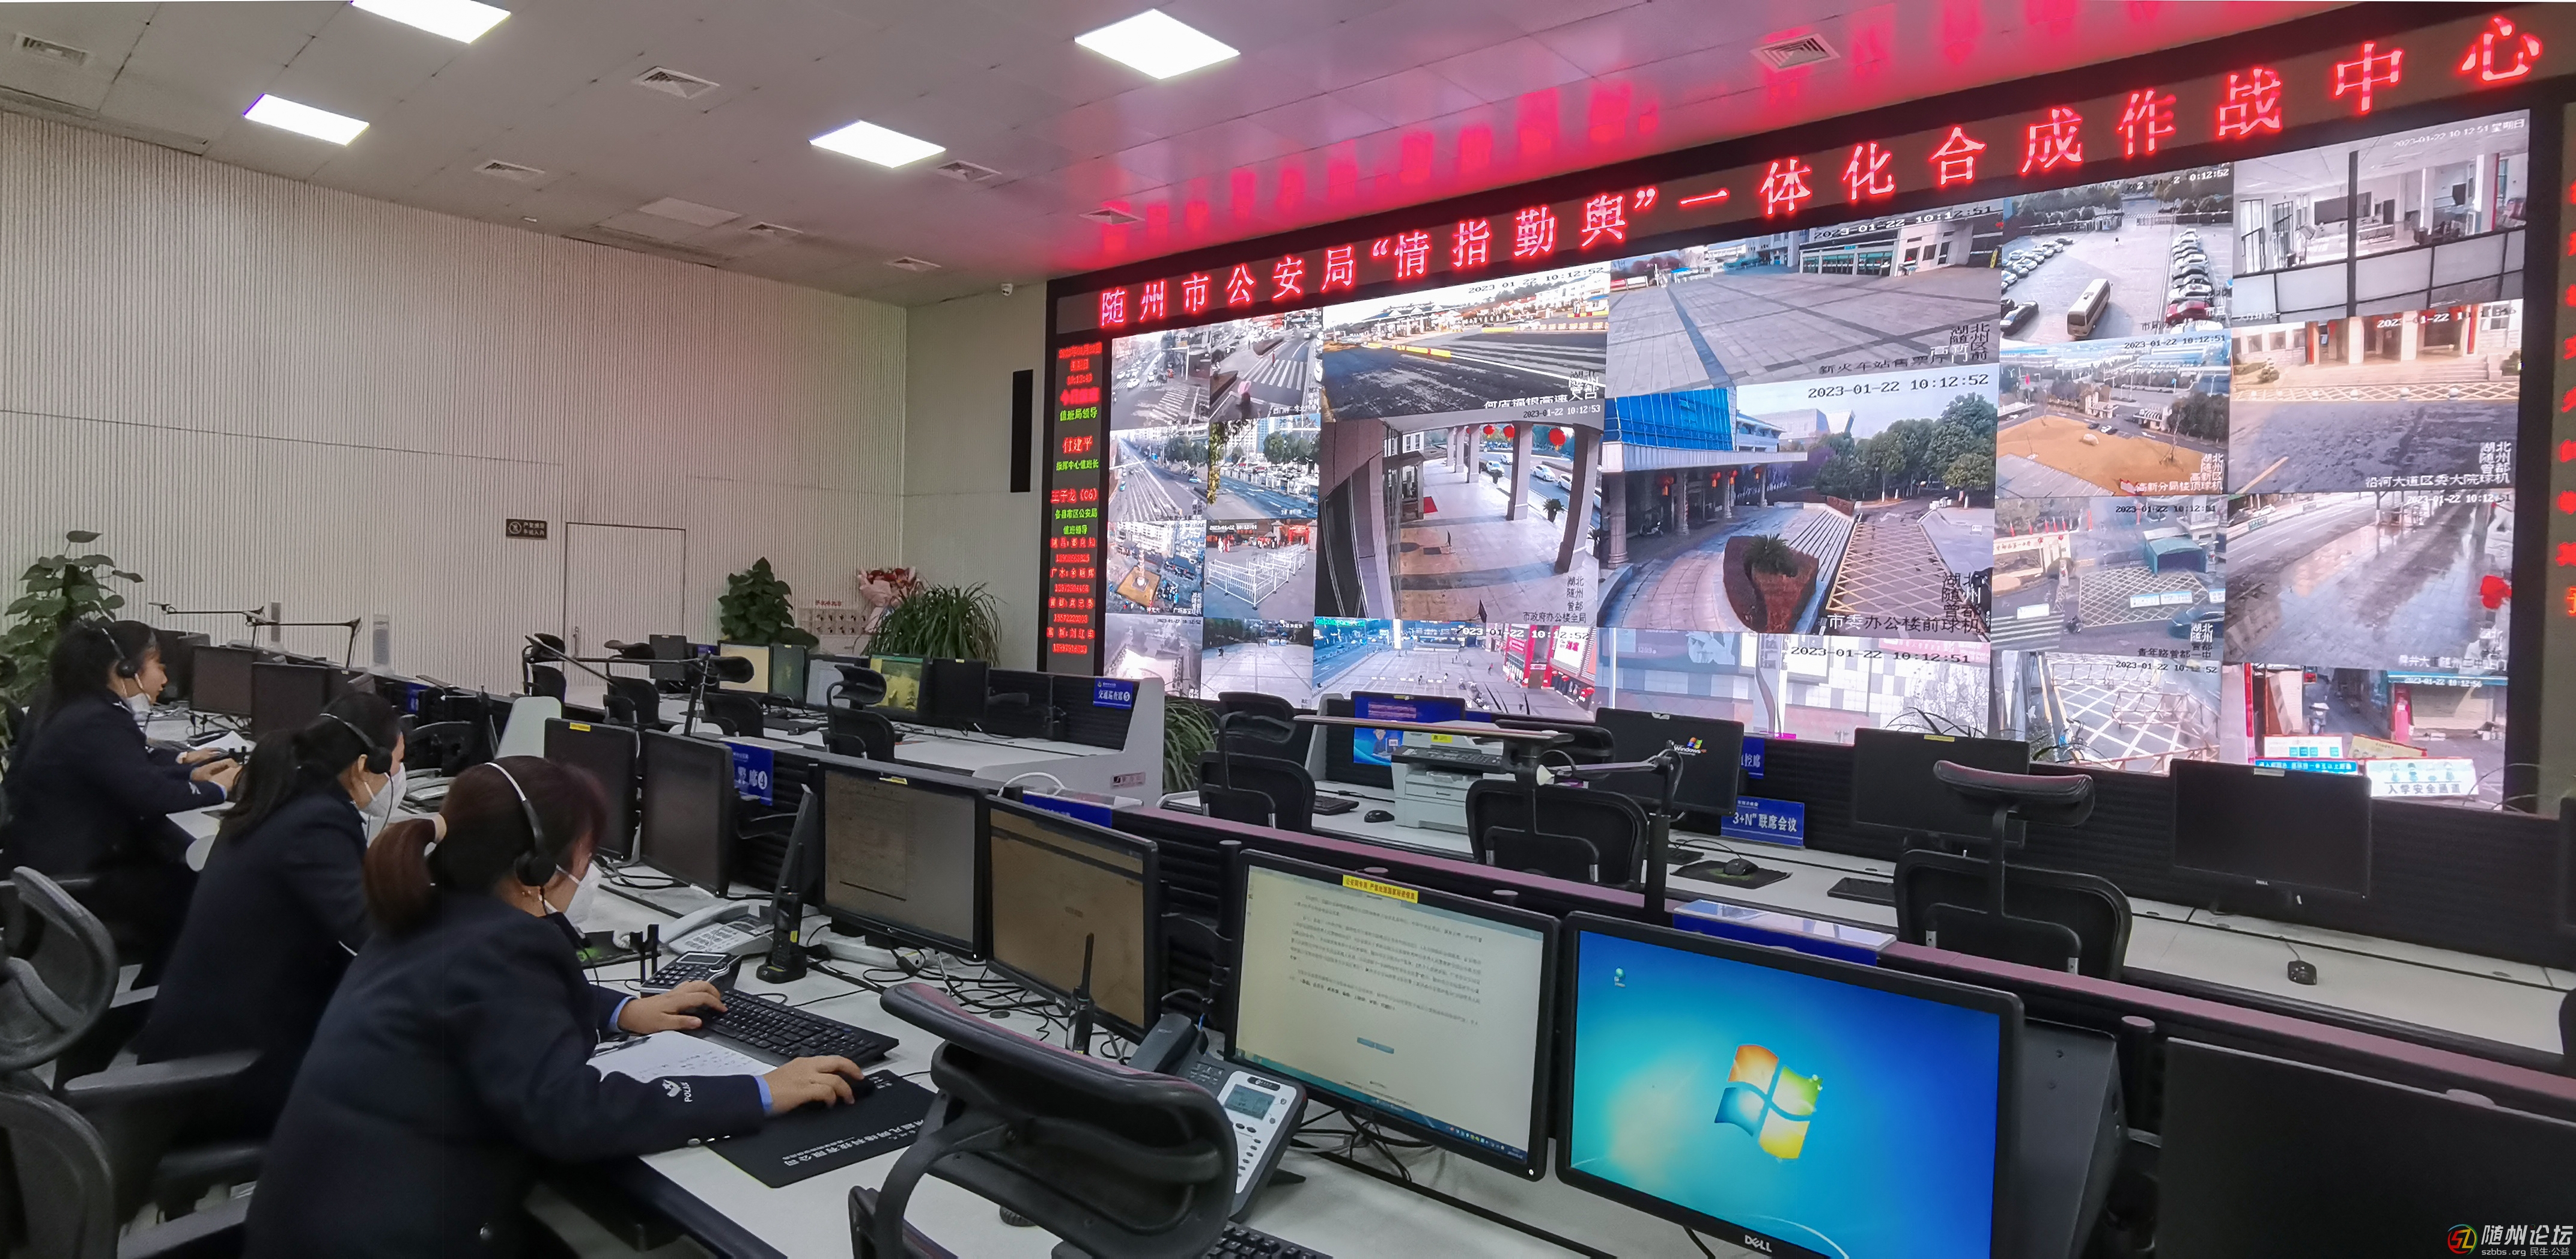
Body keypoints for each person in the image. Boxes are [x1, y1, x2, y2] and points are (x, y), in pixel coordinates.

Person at [246, 757, 867, 1258]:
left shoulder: (426, 910)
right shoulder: (501, 950)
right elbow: (569, 1113)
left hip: (319, 1221)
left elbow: (487, 1010)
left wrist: (623, 1011)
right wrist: (758, 1091)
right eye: (587, 857)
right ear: (534, 869)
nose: (590, 873)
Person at [131, 692, 406, 1139]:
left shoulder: (280, 797)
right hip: (230, 1072)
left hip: (203, 1041)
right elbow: (373, 930)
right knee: (406, 1073)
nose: (397, 777)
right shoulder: (316, 822)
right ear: (362, 766)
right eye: (396, 764)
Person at [0, 619, 238, 973]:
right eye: (158, 664)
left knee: (176, 864)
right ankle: (160, 991)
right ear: (125, 669)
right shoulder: (96, 720)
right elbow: (152, 796)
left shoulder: (77, 705)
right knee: (204, 890)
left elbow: (131, 768)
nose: (165, 678)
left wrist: (191, 773)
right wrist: (220, 787)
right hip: (72, 874)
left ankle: (160, 984)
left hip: (44, 860)